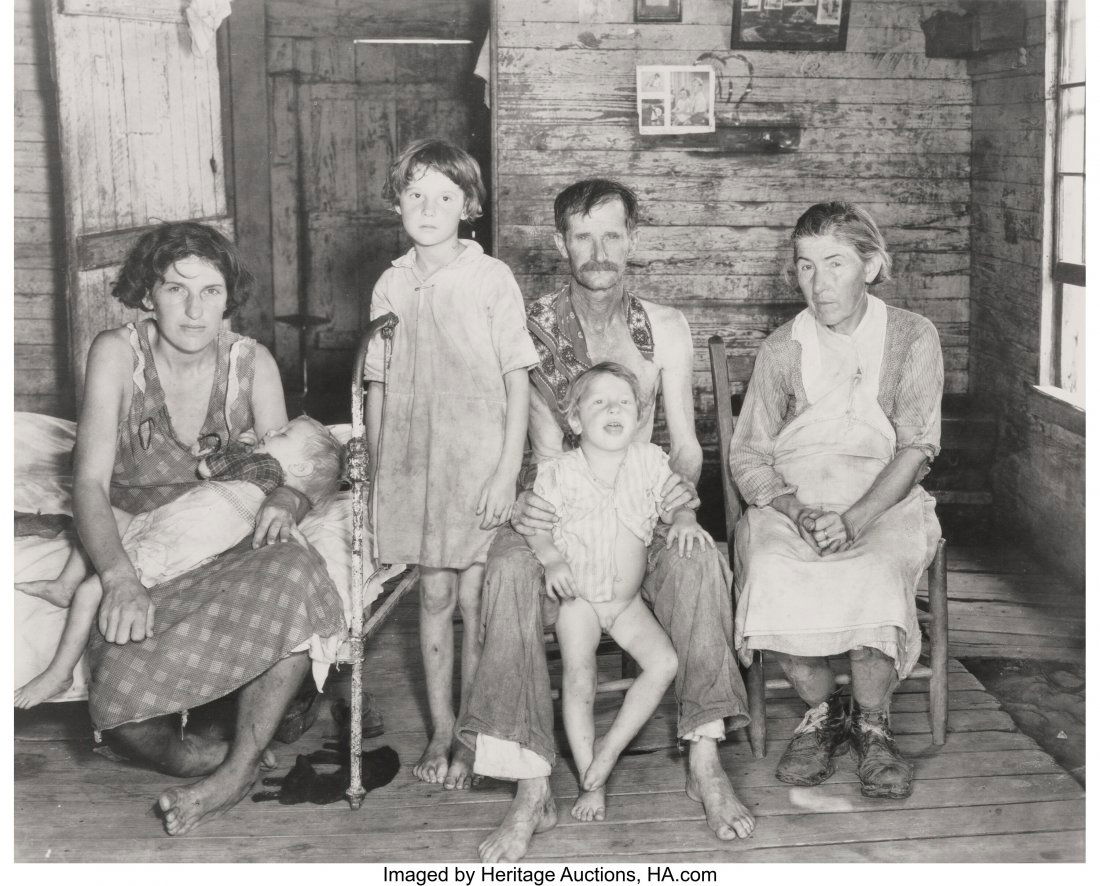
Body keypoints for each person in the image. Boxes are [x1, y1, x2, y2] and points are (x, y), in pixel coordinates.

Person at [458, 179, 754, 863]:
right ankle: (531, 785)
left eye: (612, 235)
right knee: (502, 574)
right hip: (552, 504)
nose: (598, 251)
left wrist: (680, 508)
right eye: (582, 236)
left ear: (633, 240)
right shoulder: (526, 325)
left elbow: (682, 442)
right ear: (561, 242)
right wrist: (532, 512)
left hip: (641, 502)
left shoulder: (664, 328)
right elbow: (517, 436)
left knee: (700, 558)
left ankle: (705, 758)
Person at [68, 221, 345, 836]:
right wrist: (117, 578)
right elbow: (87, 483)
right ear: (148, 294)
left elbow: (289, 469)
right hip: (150, 554)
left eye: (212, 291)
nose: (195, 310)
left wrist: (289, 501)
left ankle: (232, 774)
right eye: (176, 289)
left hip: (226, 543)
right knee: (124, 718)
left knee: (299, 571)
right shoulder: (117, 354)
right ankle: (212, 755)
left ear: (228, 299)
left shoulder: (253, 365)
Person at [729, 202, 943, 800]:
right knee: (771, 567)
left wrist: (853, 520)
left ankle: (872, 723)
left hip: (883, 498)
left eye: (835, 264)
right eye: (804, 267)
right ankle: (822, 714)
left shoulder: (912, 337)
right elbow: (748, 455)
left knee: (876, 568)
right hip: (795, 500)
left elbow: (918, 446)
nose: (818, 284)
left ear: (871, 266)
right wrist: (796, 512)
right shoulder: (781, 349)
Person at [364, 138, 538, 790]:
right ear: (397, 203)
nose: (428, 207)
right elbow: (376, 385)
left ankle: (472, 730)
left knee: (473, 597)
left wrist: (504, 474)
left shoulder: (491, 278)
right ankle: (440, 726)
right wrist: (381, 475)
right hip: (416, 468)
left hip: (476, 466)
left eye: (444, 196)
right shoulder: (390, 282)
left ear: (469, 206)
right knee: (432, 593)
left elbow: (517, 380)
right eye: (415, 195)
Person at [14, 415, 343, 709]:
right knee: (96, 518)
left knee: (90, 591)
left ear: (300, 468)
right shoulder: (266, 485)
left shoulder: (265, 469)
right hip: (157, 524)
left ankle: (59, 672)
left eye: (283, 434)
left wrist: (236, 449)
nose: (271, 429)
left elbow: (206, 467)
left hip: (167, 548)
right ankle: (62, 587)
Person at [529, 363, 711, 822]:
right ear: (574, 421)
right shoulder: (559, 471)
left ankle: (608, 750)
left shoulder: (650, 460)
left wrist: (685, 520)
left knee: (665, 662)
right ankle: (594, 783)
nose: (614, 409)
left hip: (627, 603)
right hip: (580, 603)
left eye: (624, 403)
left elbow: (677, 501)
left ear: (638, 415)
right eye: (599, 402)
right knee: (579, 677)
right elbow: (537, 528)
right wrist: (551, 558)